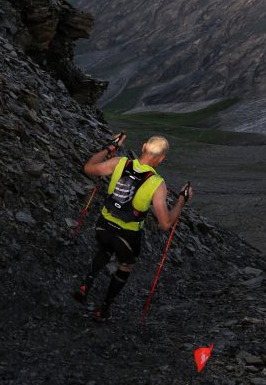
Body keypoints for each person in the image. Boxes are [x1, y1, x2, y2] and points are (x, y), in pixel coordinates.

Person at [74, 133, 192, 320]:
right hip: (127, 236)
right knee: (126, 264)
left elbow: (88, 167)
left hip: (103, 225)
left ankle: (86, 284)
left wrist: (110, 148)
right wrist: (181, 201)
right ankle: (104, 309)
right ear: (161, 158)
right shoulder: (157, 184)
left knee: (104, 249)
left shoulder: (120, 162)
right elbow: (165, 223)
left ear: (144, 146)